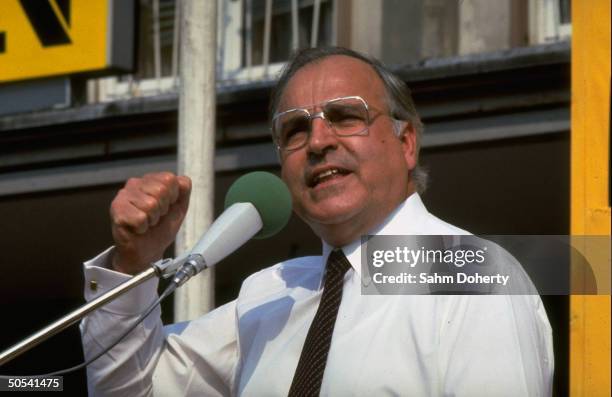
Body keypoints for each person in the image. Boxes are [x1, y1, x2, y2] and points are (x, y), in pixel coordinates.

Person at [80, 47, 554, 396]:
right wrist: (134, 264)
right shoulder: (270, 293)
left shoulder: (472, 275)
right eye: (295, 128)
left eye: (345, 116)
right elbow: (129, 388)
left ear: (406, 143)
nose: (318, 141)